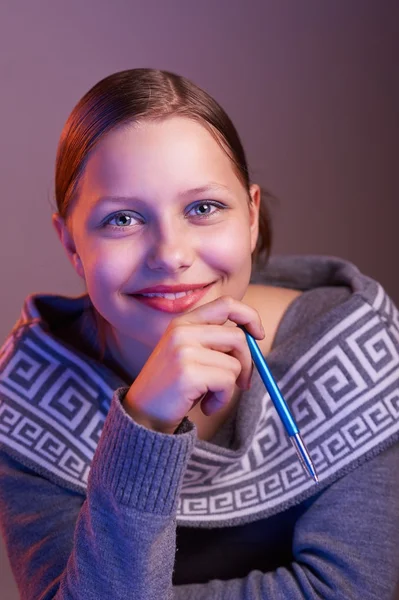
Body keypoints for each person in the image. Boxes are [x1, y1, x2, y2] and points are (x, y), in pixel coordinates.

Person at [0, 68, 398, 600]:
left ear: (251, 217)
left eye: (203, 208)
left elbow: (349, 591)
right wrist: (143, 424)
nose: (172, 255)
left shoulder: (354, 348)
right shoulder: (27, 393)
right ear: (71, 244)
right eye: (122, 219)